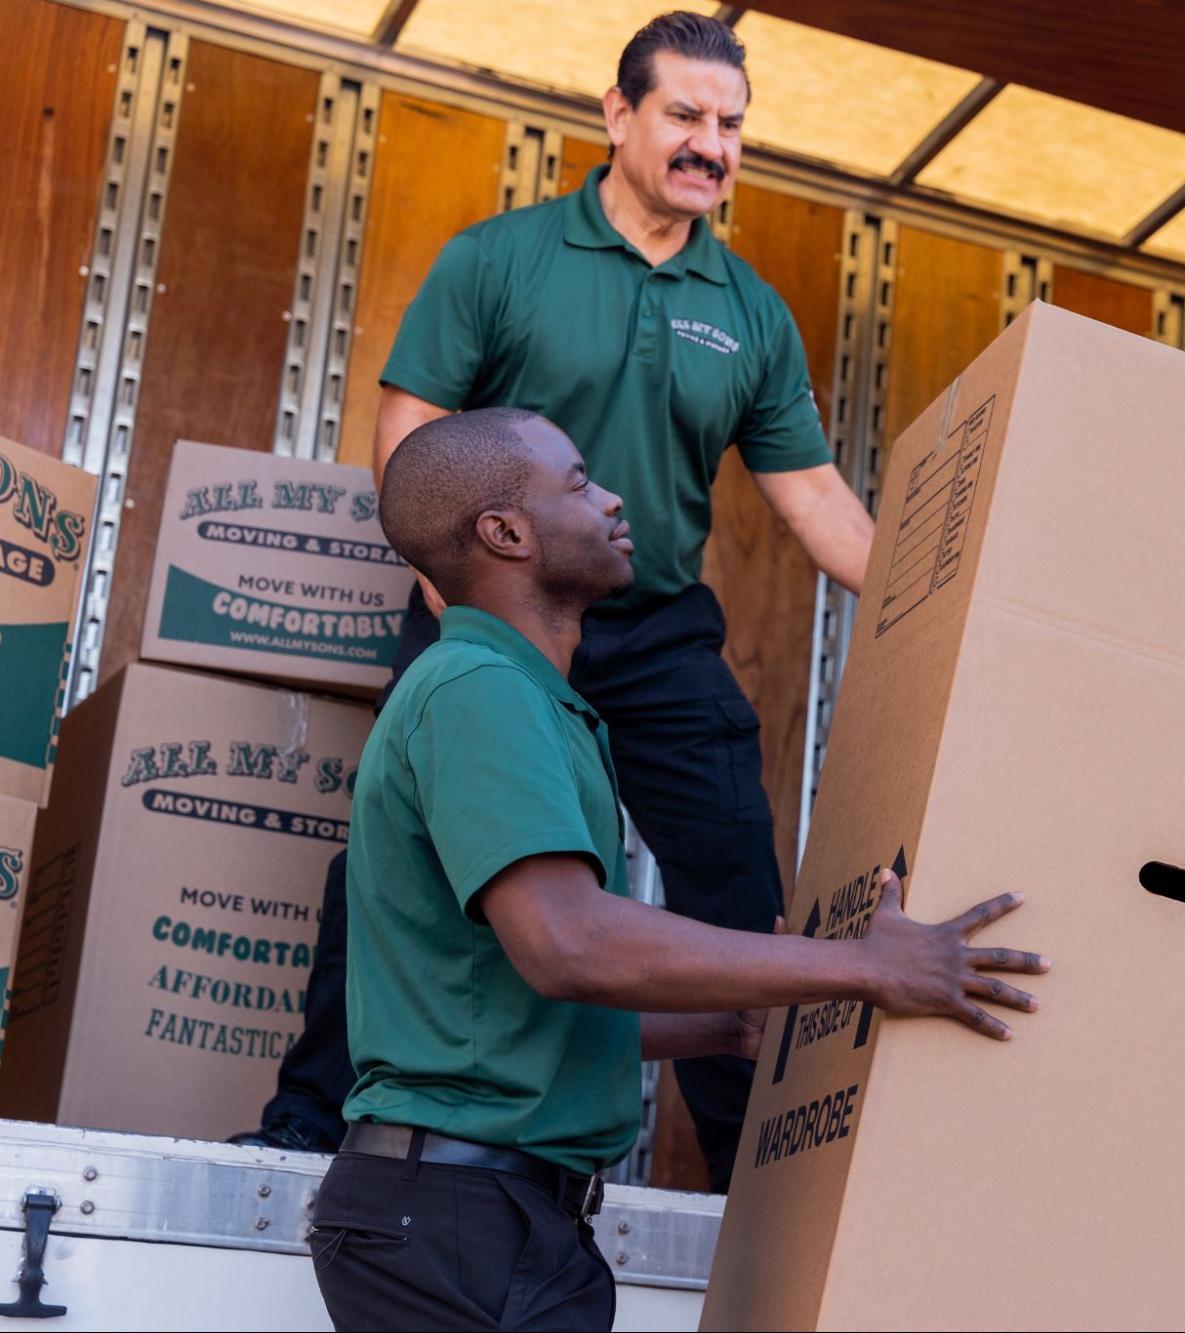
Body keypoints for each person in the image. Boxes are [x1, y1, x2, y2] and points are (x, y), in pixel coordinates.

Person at [238, 12, 875, 1186]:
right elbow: (410, 437)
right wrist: (463, 614)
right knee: (389, 863)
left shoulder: (748, 313)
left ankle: (760, 1176)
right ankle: (311, 1124)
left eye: (730, 125)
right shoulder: (501, 260)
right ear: (617, 114)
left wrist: (942, 605)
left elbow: (818, 501)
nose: (710, 144)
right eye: (684, 114)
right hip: (494, 612)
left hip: (656, 624)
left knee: (736, 871)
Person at [310, 408, 1047, 1331]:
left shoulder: (526, 700)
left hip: (489, 1216)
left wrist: (726, 1020)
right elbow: (570, 946)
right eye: (578, 482)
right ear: (505, 533)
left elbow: (499, 1010)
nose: (613, 497)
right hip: (460, 1218)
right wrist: (870, 964)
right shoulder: (479, 691)